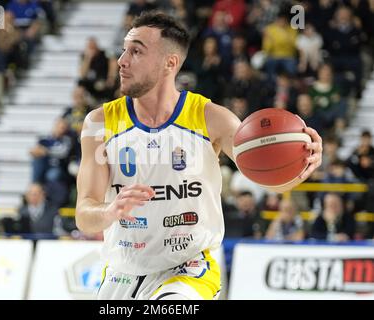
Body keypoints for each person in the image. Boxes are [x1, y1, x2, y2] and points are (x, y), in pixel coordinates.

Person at [75, 12, 322, 300]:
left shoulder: (211, 118)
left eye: (136, 51)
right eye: (124, 50)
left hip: (189, 271)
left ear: (170, 63)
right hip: (121, 273)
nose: (121, 61)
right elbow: (84, 214)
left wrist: (302, 166)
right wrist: (108, 211)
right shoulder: (99, 123)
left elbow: (269, 180)